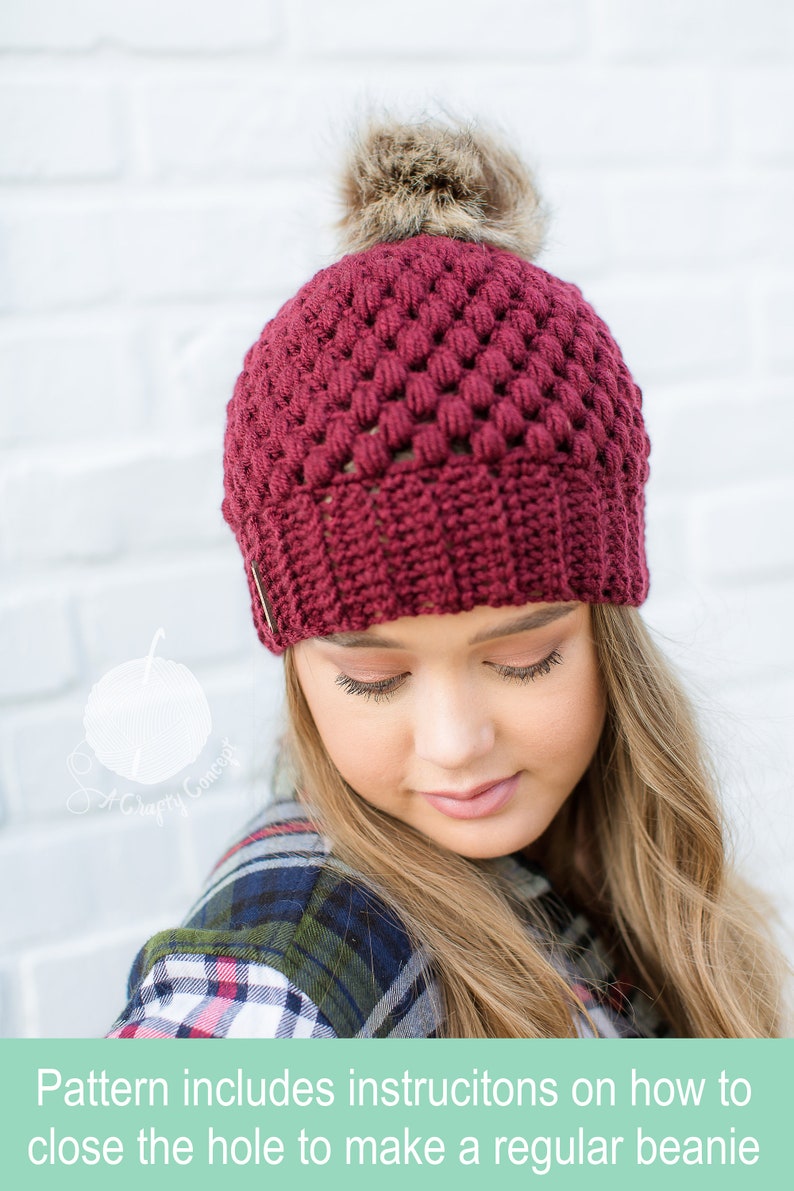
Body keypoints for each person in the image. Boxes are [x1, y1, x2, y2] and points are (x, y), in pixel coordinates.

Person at [107, 115, 788, 1040]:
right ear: (297, 660)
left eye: (524, 659)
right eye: (374, 678)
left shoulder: (596, 874)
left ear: (606, 632)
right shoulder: (299, 957)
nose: (456, 742)